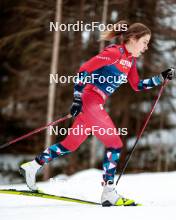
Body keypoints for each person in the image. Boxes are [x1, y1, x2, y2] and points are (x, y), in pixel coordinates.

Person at [20, 20, 175, 206]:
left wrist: (160, 78)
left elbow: (137, 85)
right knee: (115, 143)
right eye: (144, 42)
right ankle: (109, 192)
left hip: (95, 103)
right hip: (90, 100)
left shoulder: (130, 61)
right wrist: (77, 97)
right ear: (133, 38)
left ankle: (32, 166)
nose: (146, 47)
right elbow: (84, 70)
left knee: (70, 144)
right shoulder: (113, 53)